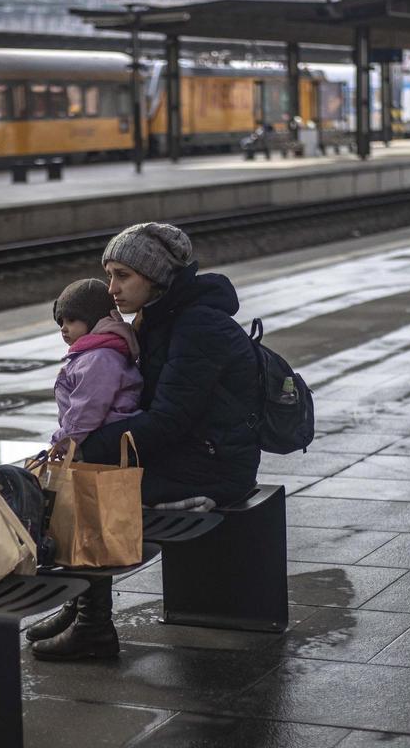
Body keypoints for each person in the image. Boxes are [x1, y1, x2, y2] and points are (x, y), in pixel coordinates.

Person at [31, 223, 263, 662]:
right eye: (109, 275)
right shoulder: (160, 317)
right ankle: (81, 603)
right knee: (78, 475)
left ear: (153, 276)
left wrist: (90, 446)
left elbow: (170, 420)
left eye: (123, 276)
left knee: (88, 490)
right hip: (191, 450)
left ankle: (93, 627)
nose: (111, 289)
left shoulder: (197, 327)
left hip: (214, 466)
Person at [50, 278, 142, 451]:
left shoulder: (100, 358)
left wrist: (62, 441)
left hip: (106, 443)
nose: (63, 328)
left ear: (93, 320)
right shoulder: (92, 355)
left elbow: (88, 408)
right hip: (97, 439)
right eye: (61, 322)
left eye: (71, 320)